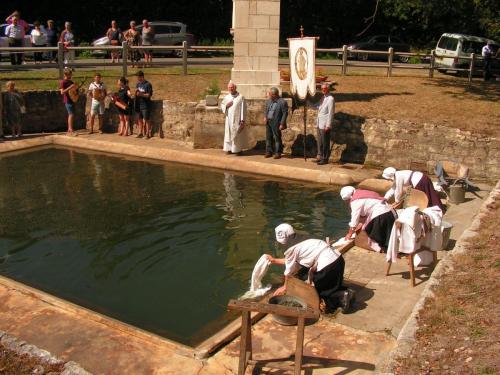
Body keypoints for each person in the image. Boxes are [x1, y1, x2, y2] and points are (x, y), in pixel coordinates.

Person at [265, 223, 354, 313]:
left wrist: (285, 286)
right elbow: (290, 261)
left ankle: (341, 296)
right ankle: (345, 292)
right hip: (338, 260)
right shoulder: (306, 238)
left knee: (313, 291)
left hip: (327, 267)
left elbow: (289, 270)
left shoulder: (291, 249)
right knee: (331, 283)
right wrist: (273, 260)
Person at [340, 186, 397, 252]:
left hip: (381, 216)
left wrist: (349, 234)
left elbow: (354, 222)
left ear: (348, 198)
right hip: (391, 212)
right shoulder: (362, 193)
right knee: (389, 236)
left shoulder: (355, 202)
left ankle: (384, 250)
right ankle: (390, 248)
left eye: (346, 201)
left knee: (374, 237)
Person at [220, 81, 249, 155]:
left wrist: (242, 120)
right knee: (229, 134)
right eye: (229, 87)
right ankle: (229, 149)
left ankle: (237, 150)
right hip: (229, 120)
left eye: (232, 87)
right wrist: (226, 106)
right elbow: (222, 105)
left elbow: (243, 109)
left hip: (237, 119)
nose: (231, 89)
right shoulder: (227, 97)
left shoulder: (240, 97)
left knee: (237, 134)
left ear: (235, 88)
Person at [264, 87, 288, 159]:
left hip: (276, 122)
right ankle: (269, 151)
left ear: (274, 95)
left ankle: (278, 152)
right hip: (269, 121)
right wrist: (265, 117)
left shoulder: (282, 102)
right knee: (268, 137)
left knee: (277, 138)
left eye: (270, 94)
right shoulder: (269, 101)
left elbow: (285, 113)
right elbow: (266, 110)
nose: (269, 95)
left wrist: (282, 123)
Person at [316, 83, 335, 165]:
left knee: (325, 142)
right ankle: (320, 156)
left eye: (324, 88)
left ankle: (325, 158)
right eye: (322, 88)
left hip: (325, 125)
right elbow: (317, 107)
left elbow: (331, 113)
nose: (323, 90)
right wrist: (307, 102)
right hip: (319, 123)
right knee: (320, 142)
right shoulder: (323, 98)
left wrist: (328, 125)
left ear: (328, 89)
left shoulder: (330, 99)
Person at [134, 71, 153, 138]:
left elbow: (149, 95)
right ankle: (140, 132)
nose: (137, 78)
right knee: (140, 119)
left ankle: (148, 133)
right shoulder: (138, 84)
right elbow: (137, 93)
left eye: (138, 77)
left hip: (145, 105)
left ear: (142, 77)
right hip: (139, 104)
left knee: (146, 119)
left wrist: (141, 94)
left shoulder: (148, 84)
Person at [59, 68, 77, 135]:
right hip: (67, 100)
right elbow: (62, 92)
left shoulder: (71, 82)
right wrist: (70, 87)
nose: (70, 76)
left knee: (72, 114)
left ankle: (70, 129)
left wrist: (77, 90)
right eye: (69, 75)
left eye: (70, 74)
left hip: (72, 99)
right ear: (65, 74)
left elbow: (74, 91)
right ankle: (70, 129)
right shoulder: (63, 82)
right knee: (71, 114)